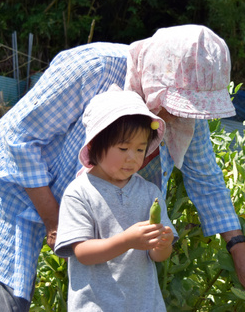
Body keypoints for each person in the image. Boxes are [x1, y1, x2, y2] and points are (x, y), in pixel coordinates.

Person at [0, 24, 245, 311]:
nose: (178, 116)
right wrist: (54, 220)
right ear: (155, 78)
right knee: (9, 297)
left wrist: (239, 248)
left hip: (96, 205)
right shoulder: (94, 67)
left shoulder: (184, 112)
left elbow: (206, 179)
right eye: (176, 104)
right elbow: (17, 139)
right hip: (20, 186)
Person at [54, 87, 176, 311]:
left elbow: (158, 257)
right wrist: (127, 240)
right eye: (123, 148)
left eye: (140, 149)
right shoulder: (79, 193)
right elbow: (82, 253)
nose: (132, 157)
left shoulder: (150, 193)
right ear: (94, 146)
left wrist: (163, 244)